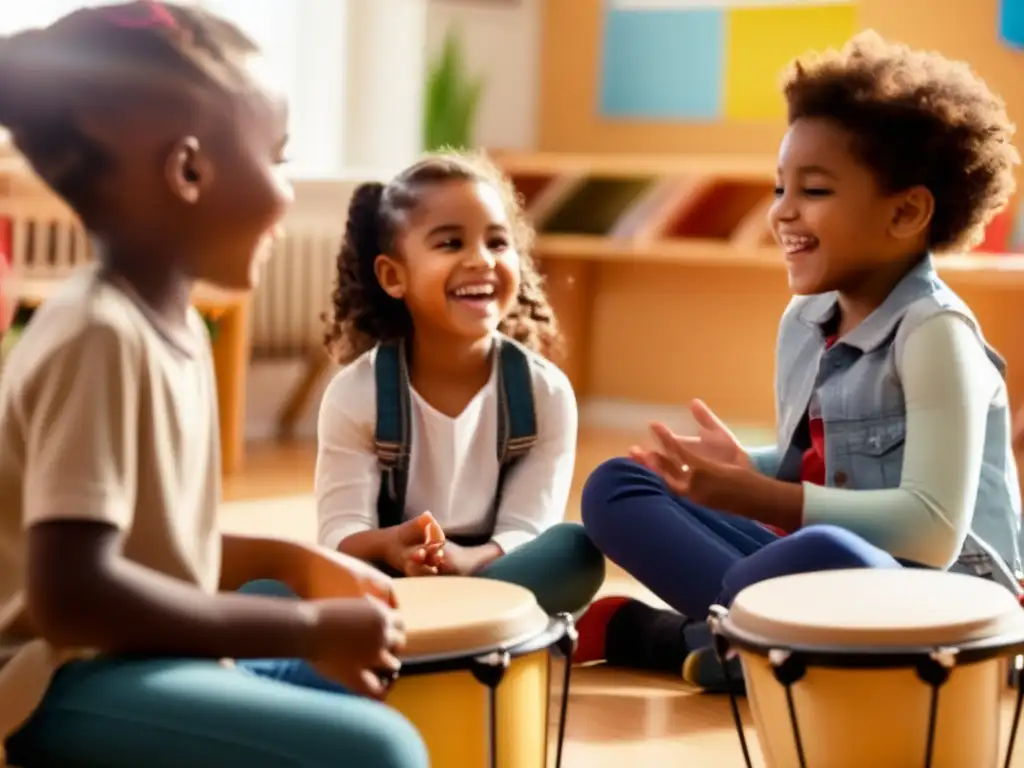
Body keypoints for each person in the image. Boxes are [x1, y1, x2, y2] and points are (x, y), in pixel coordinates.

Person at [0, 4, 427, 766]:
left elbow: (158, 551)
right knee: (379, 749)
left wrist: (291, 564)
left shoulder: (182, 331)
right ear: (189, 169)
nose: (290, 194)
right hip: (59, 680)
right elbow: (70, 594)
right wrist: (305, 631)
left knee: (381, 658)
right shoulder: (97, 333)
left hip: (123, 657)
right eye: (278, 156)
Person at [575, 31, 1022, 692]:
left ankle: (693, 639)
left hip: (943, 602)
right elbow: (812, 462)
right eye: (780, 187)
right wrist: (740, 468)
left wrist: (761, 495)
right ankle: (765, 643)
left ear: (906, 210)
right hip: (837, 587)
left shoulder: (936, 334)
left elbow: (930, 532)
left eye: (812, 190)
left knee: (821, 551)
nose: (781, 212)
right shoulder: (806, 322)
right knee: (616, 486)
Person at [314, 153, 605, 617]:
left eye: (497, 242)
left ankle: (427, 626)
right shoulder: (357, 393)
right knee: (268, 589)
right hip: (392, 575)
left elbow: (527, 528)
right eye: (450, 243)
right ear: (393, 276)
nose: (480, 260)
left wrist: (466, 561)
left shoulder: (544, 393)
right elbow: (340, 532)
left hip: (492, 566)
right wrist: (394, 548)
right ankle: (464, 621)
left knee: (574, 551)